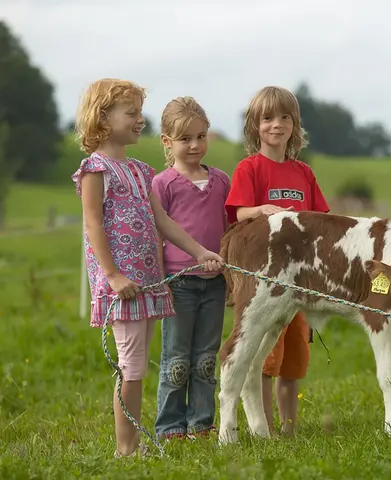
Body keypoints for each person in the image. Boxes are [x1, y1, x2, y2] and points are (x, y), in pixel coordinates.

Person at [71, 79, 224, 457]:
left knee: (137, 363)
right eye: (133, 113)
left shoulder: (140, 170)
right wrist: (112, 275)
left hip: (147, 282)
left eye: (141, 112)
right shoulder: (95, 169)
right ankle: (127, 448)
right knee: (133, 365)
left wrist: (201, 250)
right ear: (104, 117)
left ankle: (136, 441)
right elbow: (92, 225)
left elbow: (165, 223)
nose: (141, 120)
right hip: (121, 284)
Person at [224, 86, 330, 436]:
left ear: (295, 125)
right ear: (255, 126)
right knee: (264, 355)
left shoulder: (303, 173)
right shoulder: (250, 168)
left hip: (302, 277)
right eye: (267, 118)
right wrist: (263, 210)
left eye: (285, 117)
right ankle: (262, 425)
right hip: (266, 280)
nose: (277, 124)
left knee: (295, 356)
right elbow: (238, 214)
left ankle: (289, 427)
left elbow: (321, 221)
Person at [152, 96, 230, 441]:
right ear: (167, 142)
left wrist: (231, 277)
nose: (195, 145)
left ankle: (202, 423)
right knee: (177, 358)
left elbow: (229, 232)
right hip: (178, 285)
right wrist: (160, 281)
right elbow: (157, 233)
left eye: (201, 136)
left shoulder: (222, 182)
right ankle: (170, 426)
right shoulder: (162, 184)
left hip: (215, 284)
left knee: (206, 358)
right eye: (185, 139)